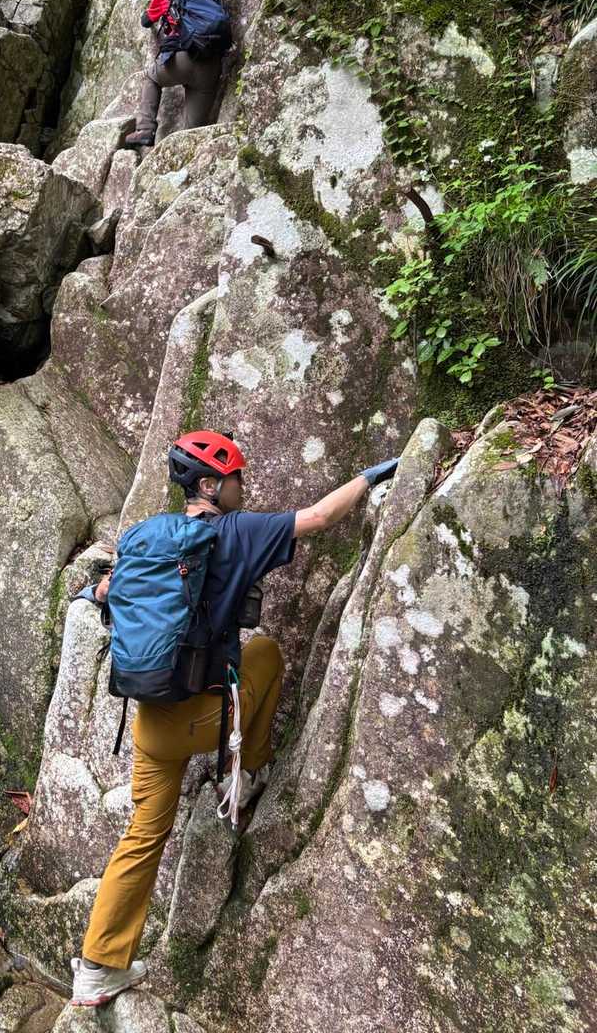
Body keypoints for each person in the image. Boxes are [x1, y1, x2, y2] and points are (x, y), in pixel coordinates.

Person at [68, 429, 400, 1008]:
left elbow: (102, 591)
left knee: (142, 837)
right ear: (210, 486)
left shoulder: (147, 537)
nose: (243, 486)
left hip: (150, 723)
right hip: (203, 719)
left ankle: (97, 969)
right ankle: (248, 772)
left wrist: (91, 594)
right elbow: (320, 517)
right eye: (235, 478)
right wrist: (374, 475)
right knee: (264, 652)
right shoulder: (236, 531)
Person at [124, 0, 252, 151]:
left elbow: (146, 21)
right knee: (191, 135)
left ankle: (145, 129)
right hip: (211, 66)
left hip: (180, 60)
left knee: (151, 78)